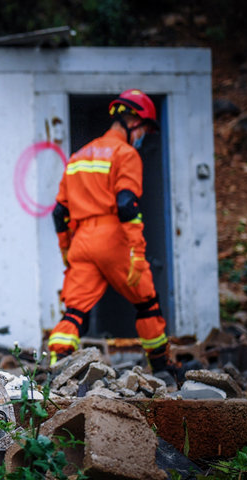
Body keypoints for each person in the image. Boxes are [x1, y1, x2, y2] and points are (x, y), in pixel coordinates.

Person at [47, 89, 174, 373]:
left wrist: (67, 249)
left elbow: (59, 212)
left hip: (81, 242)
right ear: (134, 121)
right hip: (112, 238)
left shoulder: (78, 156)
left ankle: (56, 372)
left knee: (75, 311)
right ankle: (163, 367)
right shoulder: (125, 154)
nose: (143, 136)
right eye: (144, 129)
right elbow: (127, 205)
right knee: (147, 304)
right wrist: (138, 255)